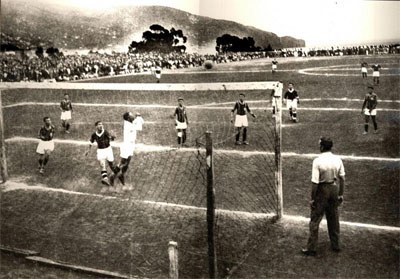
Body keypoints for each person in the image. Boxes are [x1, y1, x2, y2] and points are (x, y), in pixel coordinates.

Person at [302, 137, 345, 256]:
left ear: (321, 147)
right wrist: (341, 194)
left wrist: (312, 199)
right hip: (334, 188)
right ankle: (336, 244)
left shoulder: (317, 161)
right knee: (333, 218)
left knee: (315, 219)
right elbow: (342, 178)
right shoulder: (338, 159)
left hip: (322, 190)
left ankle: (311, 248)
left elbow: (315, 182)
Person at [110, 112, 144, 186]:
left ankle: (121, 174)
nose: (133, 116)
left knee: (127, 163)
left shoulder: (130, 122)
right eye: (131, 115)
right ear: (128, 118)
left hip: (131, 145)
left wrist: (139, 117)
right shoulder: (128, 125)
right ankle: (112, 176)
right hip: (127, 146)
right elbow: (139, 127)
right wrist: (138, 117)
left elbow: (141, 122)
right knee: (123, 162)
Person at [85, 121, 116, 186]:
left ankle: (115, 175)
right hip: (100, 151)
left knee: (111, 166)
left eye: (101, 124)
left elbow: (111, 139)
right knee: (102, 165)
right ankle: (105, 179)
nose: (101, 125)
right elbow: (91, 142)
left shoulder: (105, 132)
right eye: (99, 124)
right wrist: (88, 150)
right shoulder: (94, 134)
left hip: (108, 150)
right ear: (96, 126)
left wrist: (113, 137)